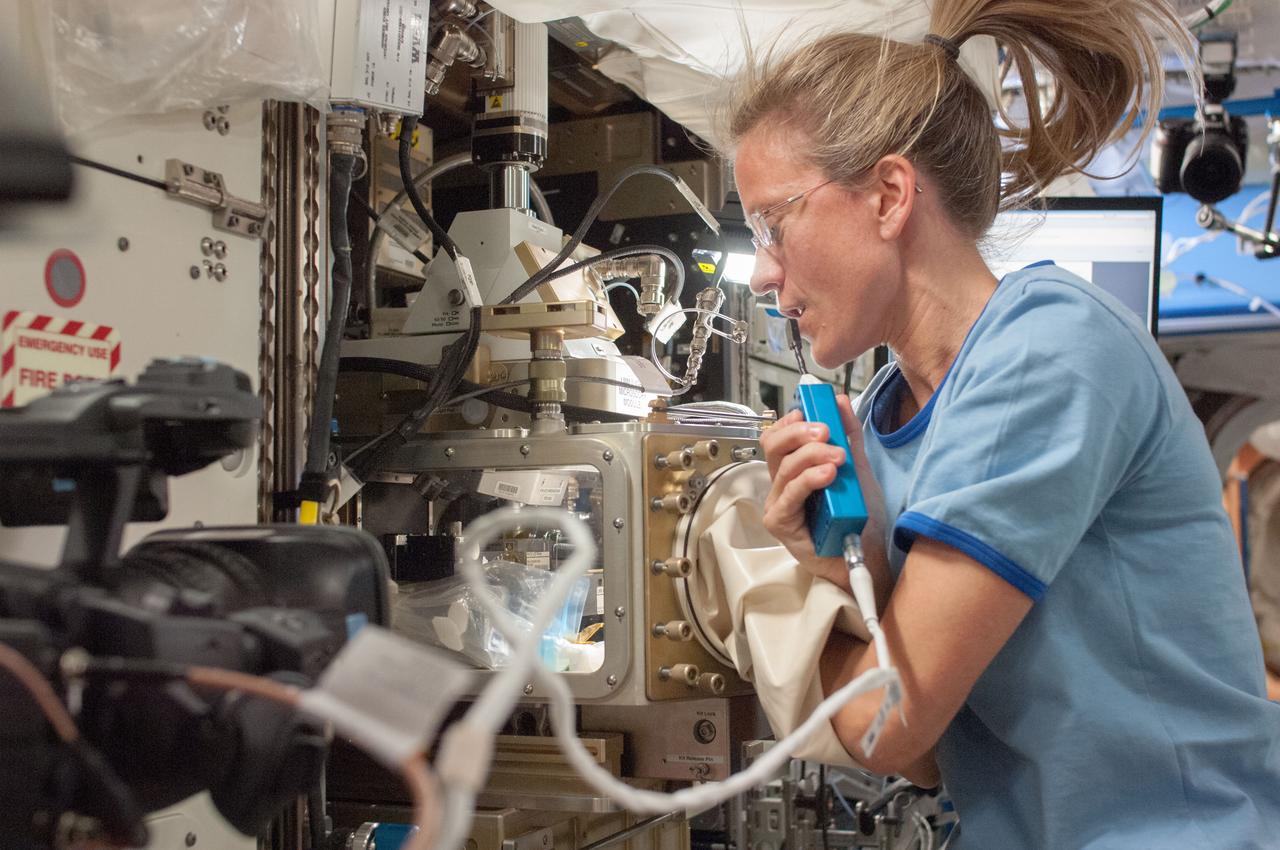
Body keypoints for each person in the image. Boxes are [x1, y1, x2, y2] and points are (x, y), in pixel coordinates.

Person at [726, 0, 1280, 847]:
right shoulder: (885, 417)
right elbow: (927, 756)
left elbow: (888, 722)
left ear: (889, 195)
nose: (762, 274)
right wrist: (844, 560)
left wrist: (742, 594)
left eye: (774, 223)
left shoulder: (1047, 348)